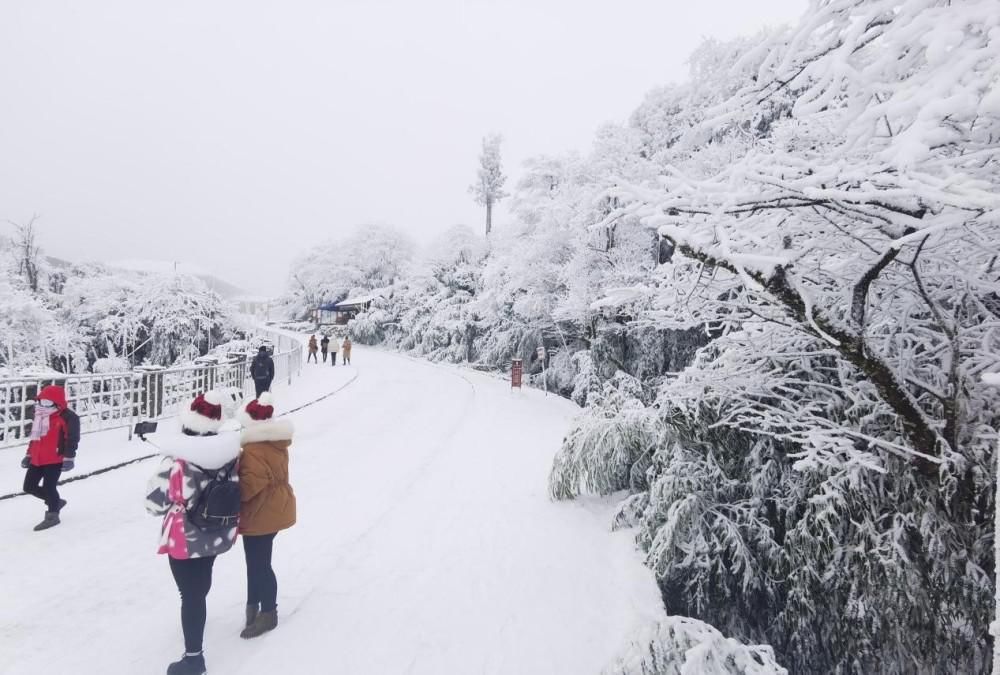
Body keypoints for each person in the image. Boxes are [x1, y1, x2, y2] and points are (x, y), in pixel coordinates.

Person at [146, 391, 241, 675]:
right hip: (217, 531)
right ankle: (196, 616)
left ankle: (193, 657)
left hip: (185, 537)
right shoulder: (229, 454)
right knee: (199, 585)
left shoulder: (176, 462)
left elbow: (153, 503)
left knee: (189, 594)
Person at [237, 392, 296, 639]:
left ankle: (268, 612)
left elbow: (249, 487)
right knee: (257, 560)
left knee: (259, 563)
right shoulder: (275, 442)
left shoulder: (253, 450)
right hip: (276, 507)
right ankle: (253, 605)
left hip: (260, 511)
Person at [20, 385, 80, 531]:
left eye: (47, 403)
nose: (42, 406)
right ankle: (56, 502)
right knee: (28, 486)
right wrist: (29, 454)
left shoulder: (68, 417)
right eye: (40, 401)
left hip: (55, 458)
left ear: (58, 402)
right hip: (37, 458)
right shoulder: (39, 415)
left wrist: (69, 457)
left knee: (49, 486)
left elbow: (72, 438)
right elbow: (35, 438)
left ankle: (53, 515)